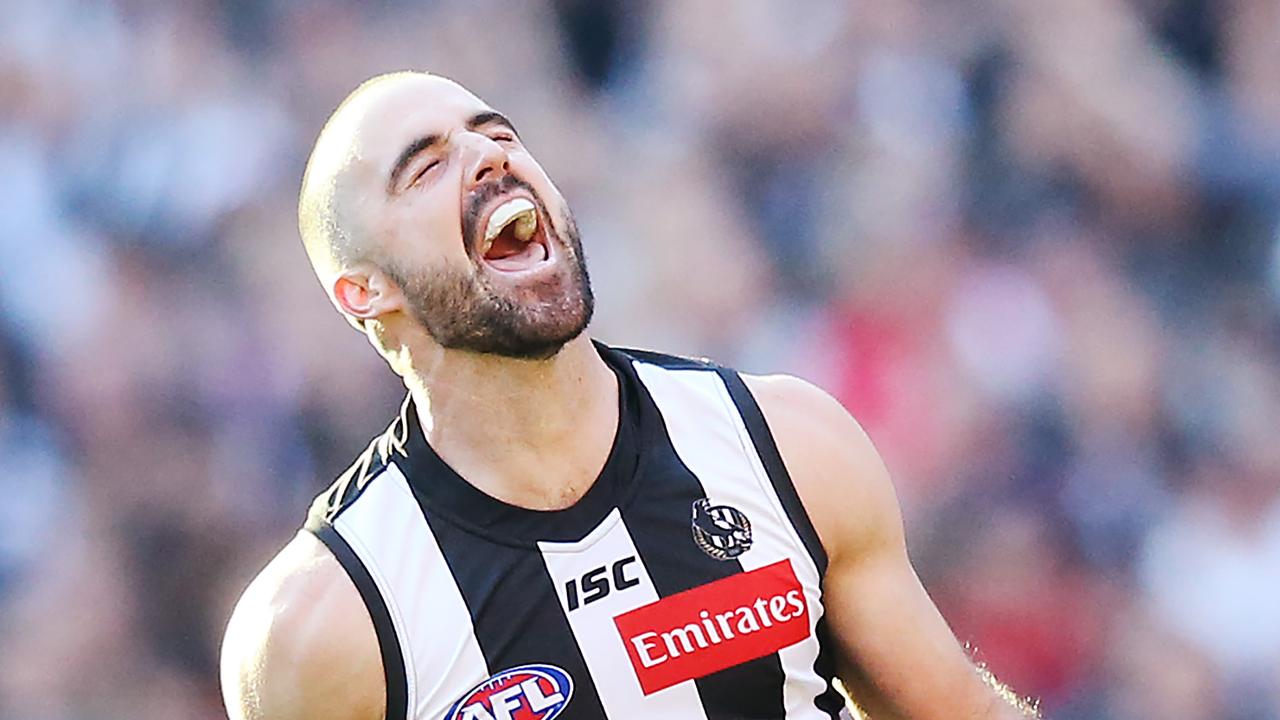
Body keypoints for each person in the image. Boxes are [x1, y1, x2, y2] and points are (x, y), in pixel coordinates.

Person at [219, 71, 1037, 720]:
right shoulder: (320, 625)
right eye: (427, 166)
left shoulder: (783, 441)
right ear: (361, 292)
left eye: (499, 134)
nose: (489, 156)